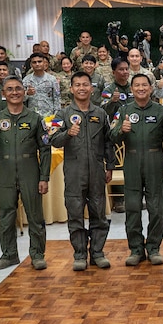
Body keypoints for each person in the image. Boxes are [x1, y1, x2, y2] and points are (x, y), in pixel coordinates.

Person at [0, 77, 51, 271]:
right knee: (6, 215)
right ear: (3, 93)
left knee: (35, 215)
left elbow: (45, 149)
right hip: (6, 171)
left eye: (18, 89)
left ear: (25, 91)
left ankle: (37, 254)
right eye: (9, 89)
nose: (14, 92)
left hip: (30, 169)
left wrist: (44, 177)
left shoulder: (35, 118)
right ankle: (9, 254)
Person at [51, 71, 115, 270]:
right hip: (74, 173)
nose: (81, 88)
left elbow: (108, 142)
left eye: (85, 84)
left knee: (99, 214)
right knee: (76, 215)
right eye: (77, 85)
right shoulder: (63, 114)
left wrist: (110, 165)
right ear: (71, 89)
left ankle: (97, 253)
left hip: (96, 171)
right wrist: (68, 134)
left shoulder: (100, 113)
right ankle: (79, 255)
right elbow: (52, 139)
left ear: (91, 88)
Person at [110, 73, 163, 267]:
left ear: (151, 88)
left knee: (156, 208)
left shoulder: (161, 111)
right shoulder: (124, 110)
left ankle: (154, 248)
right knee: (133, 207)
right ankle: (136, 249)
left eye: (144, 85)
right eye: (137, 85)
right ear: (131, 89)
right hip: (132, 160)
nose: (141, 88)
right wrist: (122, 129)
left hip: (154, 160)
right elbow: (111, 136)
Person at [25, 52, 61, 118]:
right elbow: (21, 99)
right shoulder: (26, 80)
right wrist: (27, 93)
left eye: (39, 61)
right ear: (31, 64)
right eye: (34, 62)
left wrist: (56, 115)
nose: (37, 64)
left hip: (49, 115)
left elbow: (57, 98)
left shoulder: (52, 79)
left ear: (44, 63)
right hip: (32, 116)